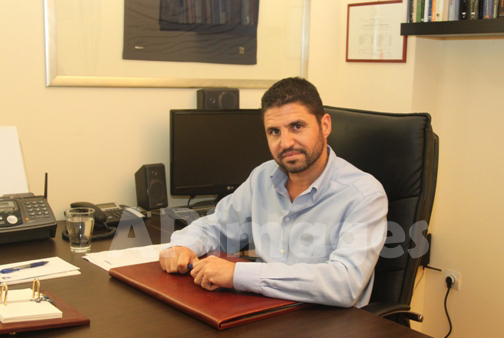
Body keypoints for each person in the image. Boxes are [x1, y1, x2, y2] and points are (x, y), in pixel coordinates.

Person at [158, 77, 388, 307]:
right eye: (274, 131)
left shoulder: (363, 195)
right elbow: (217, 226)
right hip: (264, 309)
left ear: (325, 125)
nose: (286, 143)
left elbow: (345, 283)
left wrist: (238, 275)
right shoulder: (263, 177)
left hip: (327, 320)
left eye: (297, 127)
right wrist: (183, 246)